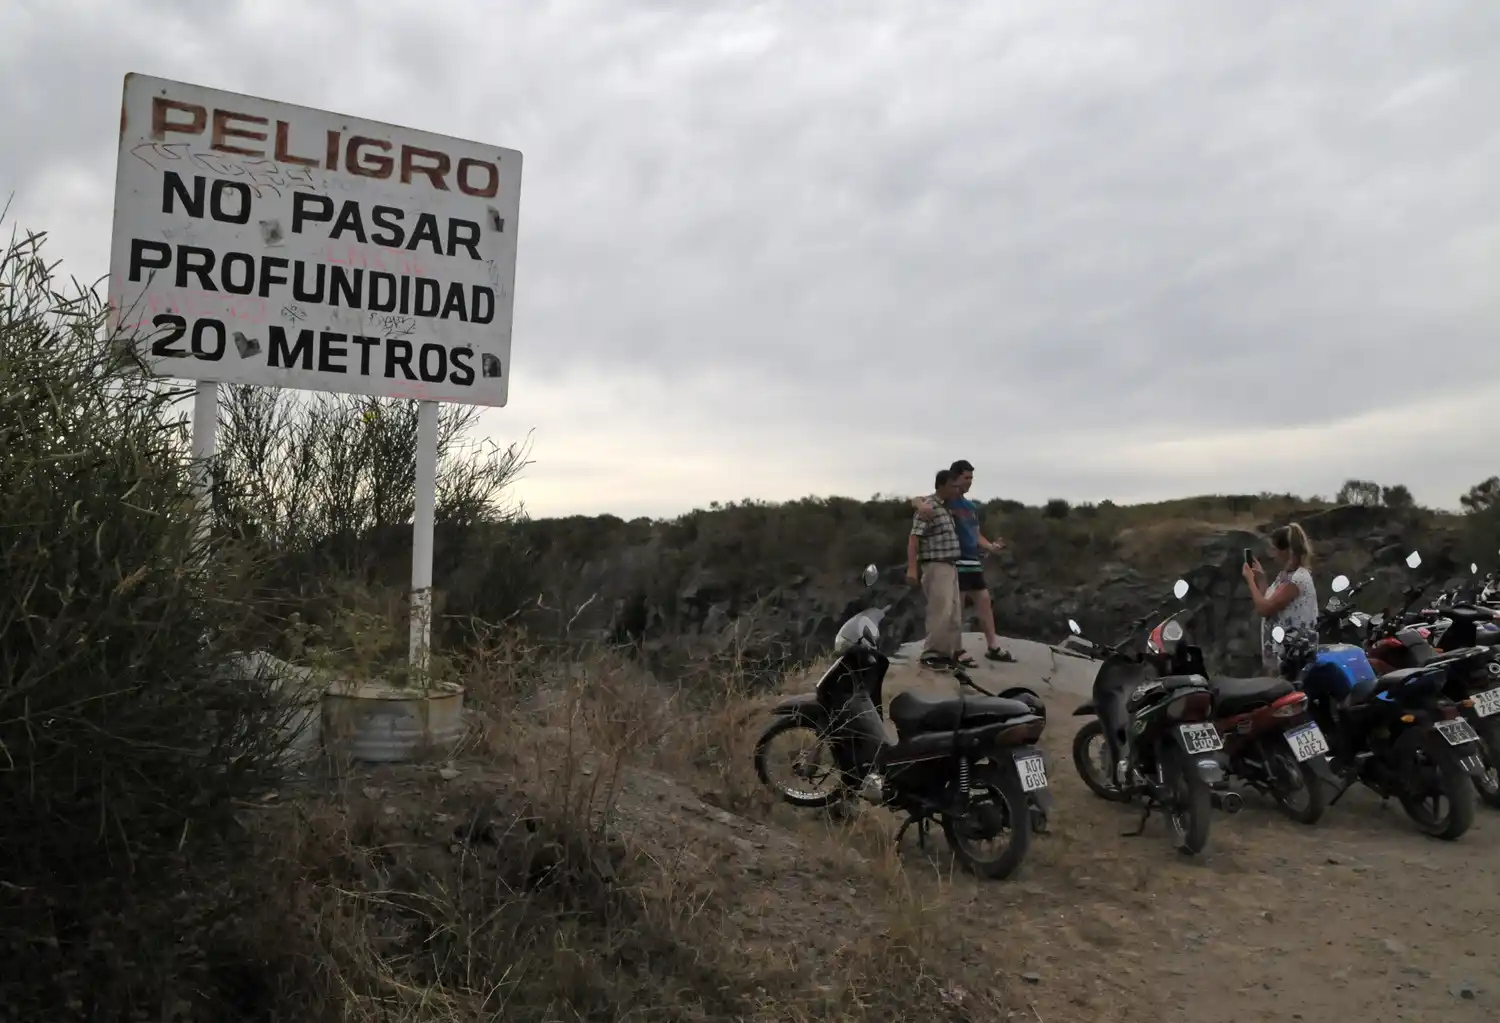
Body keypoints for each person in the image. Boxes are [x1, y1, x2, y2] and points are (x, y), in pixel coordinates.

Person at [913, 459, 1014, 665]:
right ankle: (956, 649)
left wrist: (991, 547)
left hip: (972, 560)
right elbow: (919, 500)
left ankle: (993, 646)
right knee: (953, 607)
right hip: (953, 560)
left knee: (983, 600)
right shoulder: (946, 500)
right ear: (955, 479)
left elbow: (976, 535)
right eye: (965, 478)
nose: (969, 482)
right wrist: (919, 504)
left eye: (971, 478)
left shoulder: (970, 507)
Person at [1243, 522, 1319, 675]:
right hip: (1283, 655)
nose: (1273, 555)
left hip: (1293, 657)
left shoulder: (1297, 579)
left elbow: (1264, 609)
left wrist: (1250, 580)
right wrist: (1261, 579)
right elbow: (1269, 602)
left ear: (1287, 551)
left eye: (1275, 550)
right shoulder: (1285, 576)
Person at [907, 469, 964, 669]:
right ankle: (933, 654)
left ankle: (949, 654)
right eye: (953, 486)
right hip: (936, 565)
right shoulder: (928, 507)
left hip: (950, 565)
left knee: (953, 613)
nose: (956, 490)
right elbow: (914, 538)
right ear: (942, 485)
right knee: (940, 610)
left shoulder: (946, 507)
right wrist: (912, 568)